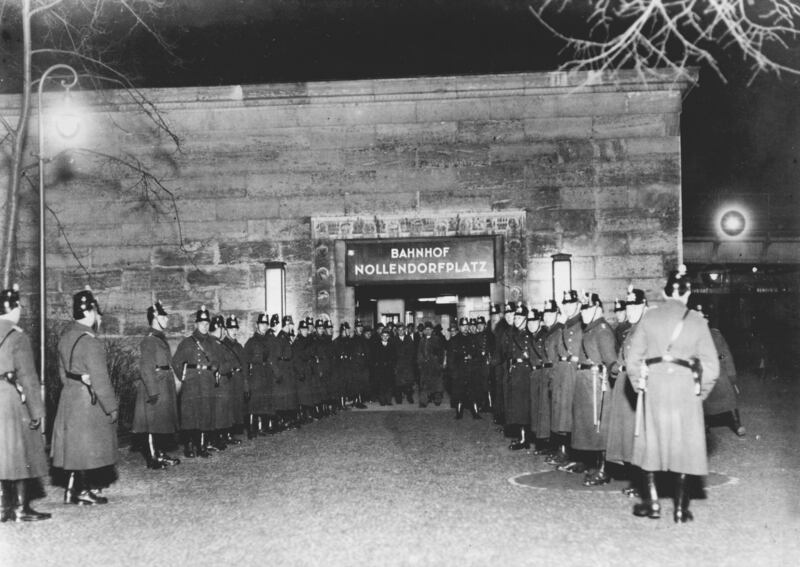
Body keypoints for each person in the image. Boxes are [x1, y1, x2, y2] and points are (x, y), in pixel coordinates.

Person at [628, 265, 720, 522]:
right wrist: (698, 395)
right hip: (684, 388)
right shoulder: (697, 321)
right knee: (683, 446)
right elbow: (712, 367)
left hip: (655, 386)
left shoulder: (649, 317)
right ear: (688, 292)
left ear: (664, 292)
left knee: (651, 444)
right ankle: (680, 509)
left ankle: (653, 504)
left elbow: (632, 359)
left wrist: (640, 386)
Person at [52, 287, 119, 505]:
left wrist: (73, 385)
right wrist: (111, 407)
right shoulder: (91, 342)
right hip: (87, 400)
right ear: (90, 311)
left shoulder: (65, 338)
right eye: (97, 312)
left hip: (69, 396)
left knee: (74, 447)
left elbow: (62, 372)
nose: (98, 317)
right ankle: (81, 492)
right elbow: (101, 379)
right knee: (88, 446)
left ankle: (72, 490)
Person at [0, 285, 50, 522]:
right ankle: (21, 508)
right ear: (15, 308)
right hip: (10, 399)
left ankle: (1, 508)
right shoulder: (17, 336)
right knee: (20, 453)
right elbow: (28, 377)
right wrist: (36, 411)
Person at [571, 292, 618, 486]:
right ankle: (597, 464)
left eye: (588, 308)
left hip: (597, 385)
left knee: (601, 427)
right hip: (587, 384)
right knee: (591, 427)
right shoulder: (591, 329)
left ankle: (604, 469)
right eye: (582, 308)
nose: (584, 312)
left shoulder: (602, 330)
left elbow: (610, 361)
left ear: (598, 308)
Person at [605, 287, 648, 496]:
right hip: (625, 386)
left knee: (639, 434)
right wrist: (615, 368)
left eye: (635, 306)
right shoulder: (631, 330)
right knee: (630, 435)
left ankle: (644, 483)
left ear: (644, 306)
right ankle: (637, 479)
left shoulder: (646, 329)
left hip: (637, 387)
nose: (630, 310)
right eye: (629, 306)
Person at [133, 300, 180, 469]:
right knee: (152, 423)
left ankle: (160, 453)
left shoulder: (160, 339)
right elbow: (146, 367)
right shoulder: (149, 340)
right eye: (163, 317)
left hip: (164, 383)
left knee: (161, 422)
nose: (167, 320)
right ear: (155, 318)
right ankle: (153, 458)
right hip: (155, 386)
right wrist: (153, 391)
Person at [171, 305, 221, 458]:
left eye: (207, 324)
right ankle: (188, 446)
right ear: (196, 324)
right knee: (189, 416)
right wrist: (184, 377)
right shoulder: (187, 342)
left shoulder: (213, 343)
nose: (205, 326)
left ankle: (202, 446)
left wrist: (213, 371)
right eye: (202, 323)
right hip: (192, 384)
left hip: (206, 383)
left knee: (205, 414)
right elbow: (176, 362)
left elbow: (218, 361)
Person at [691, 303, 746, 438]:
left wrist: (732, 375)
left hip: (719, 371)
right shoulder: (689, 336)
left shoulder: (716, 335)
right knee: (700, 399)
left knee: (729, 396)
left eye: (703, 318)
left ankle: (736, 423)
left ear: (707, 320)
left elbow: (726, 355)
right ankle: (703, 425)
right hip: (700, 373)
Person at [549, 290, 581, 469]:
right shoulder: (565, 325)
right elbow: (554, 345)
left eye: (571, 303)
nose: (568, 307)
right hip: (562, 372)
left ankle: (576, 455)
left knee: (575, 414)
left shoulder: (582, 324)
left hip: (575, 372)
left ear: (577, 304)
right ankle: (565, 451)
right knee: (563, 413)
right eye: (565, 304)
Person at [505, 304, 533, 450]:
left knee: (523, 407)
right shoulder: (514, 334)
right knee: (517, 406)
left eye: (520, 317)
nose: (516, 319)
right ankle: (521, 436)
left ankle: (524, 439)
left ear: (526, 319)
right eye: (515, 317)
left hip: (524, 372)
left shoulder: (527, 335)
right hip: (516, 371)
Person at [208, 314, 234, 450]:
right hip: (216, 383)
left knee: (222, 412)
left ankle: (219, 437)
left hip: (222, 382)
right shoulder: (212, 343)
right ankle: (214, 439)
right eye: (222, 328)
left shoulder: (218, 342)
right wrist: (226, 367)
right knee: (217, 413)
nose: (223, 331)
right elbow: (217, 364)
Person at [244, 313, 272, 437]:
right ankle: (252, 429)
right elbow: (246, 361)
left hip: (266, 374)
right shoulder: (251, 342)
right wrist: (246, 381)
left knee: (265, 400)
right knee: (254, 403)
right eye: (262, 324)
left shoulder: (269, 341)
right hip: (255, 375)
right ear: (257, 325)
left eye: (266, 324)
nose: (264, 326)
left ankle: (263, 427)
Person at [222, 315, 248, 443]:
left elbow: (244, 365)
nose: (234, 330)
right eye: (231, 328)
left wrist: (245, 383)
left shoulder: (239, 346)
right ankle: (226, 434)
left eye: (235, 328)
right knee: (228, 407)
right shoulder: (222, 345)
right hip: (228, 379)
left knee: (237, 406)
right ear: (226, 330)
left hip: (238, 379)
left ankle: (232, 432)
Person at [449, 317, 478, 419]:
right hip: (460, 370)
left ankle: (475, 412)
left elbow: (477, 353)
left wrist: (472, 357)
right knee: (459, 392)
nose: (465, 328)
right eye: (463, 326)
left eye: (466, 326)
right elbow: (451, 359)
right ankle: (459, 413)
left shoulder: (473, 338)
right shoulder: (454, 340)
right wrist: (453, 373)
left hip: (471, 369)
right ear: (459, 327)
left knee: (473, 392)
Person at [417, 321, 445, 407]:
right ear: (424, 331)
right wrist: (421, 362)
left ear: (432, 330)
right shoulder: (422, 340)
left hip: (434, 366)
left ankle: (437, 400)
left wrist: (439, 362)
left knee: (436, 384)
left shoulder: (437, 339)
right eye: (426, 329)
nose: (428, 331)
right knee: (424, 384)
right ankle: (424, 401)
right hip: (425, 366)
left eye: (429, 329)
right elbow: (419, 353)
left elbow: (441, 352)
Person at [393, 323, 416, 404]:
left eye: (402, 330)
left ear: (405, 330)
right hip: (398, 364)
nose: (400, 331)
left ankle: (409, 397)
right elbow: (392, 353)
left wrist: (410, 361)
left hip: (407, 364)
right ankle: (398, 398)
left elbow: (412, 351)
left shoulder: (408, 338)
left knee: (409, 382)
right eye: (399, 330)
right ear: (397, 331)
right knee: (398, 382)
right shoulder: (394, 340)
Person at [373, 327, 397, 406]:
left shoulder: (392, 345)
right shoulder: (377, 345)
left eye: (387, 336)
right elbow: (375, 357)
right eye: (383, 336)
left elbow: (394, 357)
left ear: (389, 337)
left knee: (389, 385)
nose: (385, 337)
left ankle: (388, 400)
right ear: (381, 336)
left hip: (389, 369)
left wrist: (392, 365)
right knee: (381, 385)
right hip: (380, 369)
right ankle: (382, 400)